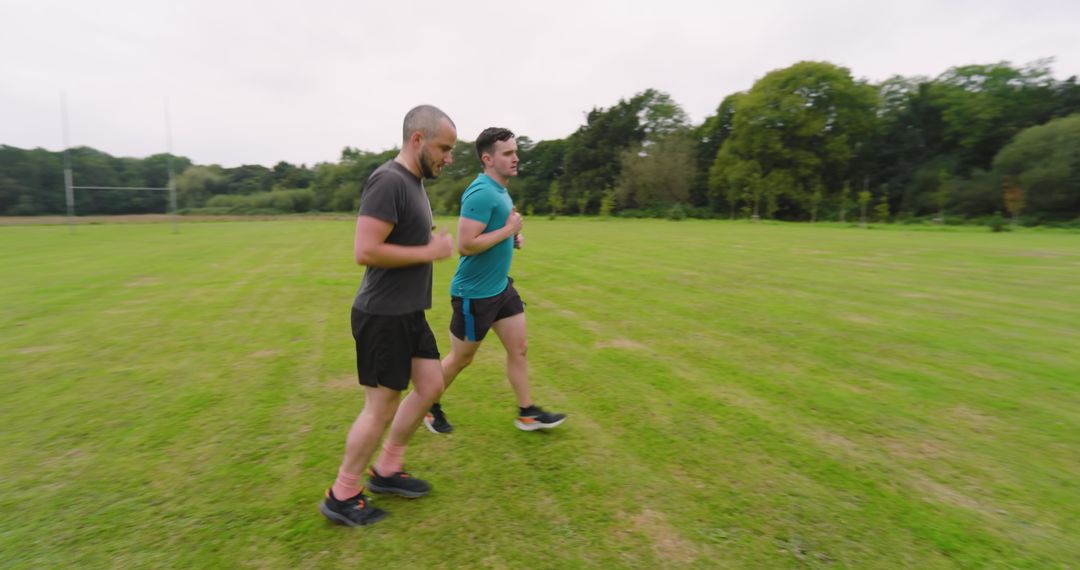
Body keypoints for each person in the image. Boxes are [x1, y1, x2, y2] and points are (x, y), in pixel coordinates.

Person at [319, 105, 456, 527]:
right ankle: (342, 494)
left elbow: (399, 239)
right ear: (417, 140)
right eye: (444, 148)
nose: (449, 158)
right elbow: (365, 250)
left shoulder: (414, 184)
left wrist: (424, 241)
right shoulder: (388, 181)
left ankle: (387, 469)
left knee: (431, 385)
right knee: (380, 407)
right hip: (382, 314)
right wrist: (429, 251)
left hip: (409, 311)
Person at [423, 127, 566, 435]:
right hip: (473, 295)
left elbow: (493, 230)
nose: (516, 158)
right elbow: (466, 244)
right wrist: (508, 230)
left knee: (519, 347)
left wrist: (512, 238)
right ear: (488, 159)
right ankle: (427, 406)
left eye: (516, 152)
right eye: (508, 153)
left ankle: (527, 413)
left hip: (500, 288)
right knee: (461, 359)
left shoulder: (500, 190)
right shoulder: (481, 192)